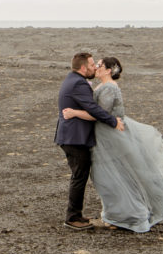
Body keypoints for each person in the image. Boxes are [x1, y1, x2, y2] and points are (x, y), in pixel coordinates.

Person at [62, 57, 163, 232]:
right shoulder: (102, 86)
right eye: (95, 65)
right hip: (103, 136)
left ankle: (131, 215)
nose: (96, 68)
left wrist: (74, 113)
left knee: (116, 176)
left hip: (111, 137)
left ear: (109, 70)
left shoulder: (109, 87)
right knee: (110, 177)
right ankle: (116, 214)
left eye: (100, 65)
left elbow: (100, 114)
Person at [54, 52, 125, 230]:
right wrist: (113, 121)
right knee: (79, 177)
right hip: (74, 138)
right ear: (84, 68)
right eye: (93, 65)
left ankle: (76, 214)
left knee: (80, 175)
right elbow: (93, 108)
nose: (95, 67)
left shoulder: (73, 79)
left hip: (73, 136)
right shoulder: (78, 83)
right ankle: (72, 218)